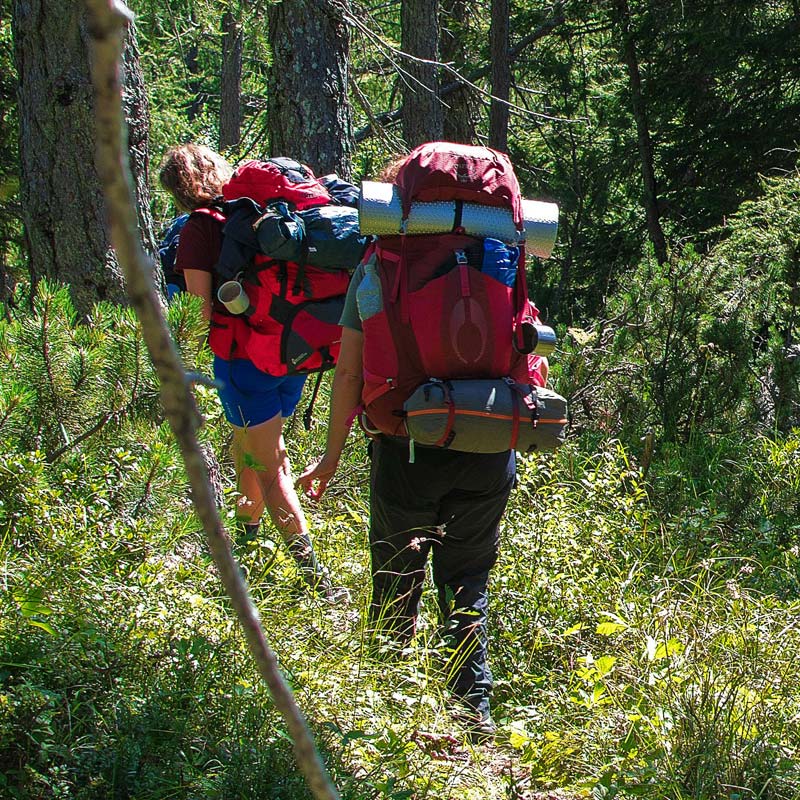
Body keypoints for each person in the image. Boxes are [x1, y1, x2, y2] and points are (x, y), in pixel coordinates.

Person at [296, 157, 522, 738]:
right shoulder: (504, 254)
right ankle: (475, 718)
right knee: (467, 582)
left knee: (395, 582)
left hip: (405, 448)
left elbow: (348, 375)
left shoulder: (379, 264)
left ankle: (384, 719)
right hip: (489, 439)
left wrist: (330, 455)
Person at [159, 143, 346, 603]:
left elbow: (201, 313)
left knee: (270, 463)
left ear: (179, 192)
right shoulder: (257, 215)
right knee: (253, 444)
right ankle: (249, 545)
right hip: (296, 350)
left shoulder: (200, 229)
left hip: (247, 359)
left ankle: (315, 579)